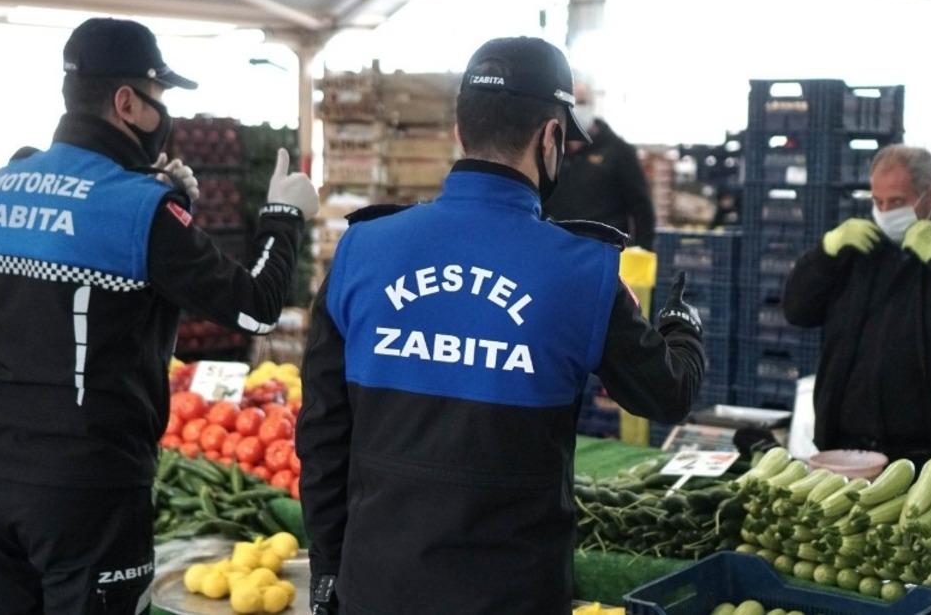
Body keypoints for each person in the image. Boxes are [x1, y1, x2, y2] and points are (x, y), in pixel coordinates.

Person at [296, 37, 706, 615]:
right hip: (512, 594)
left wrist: (328, 570)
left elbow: (321, 432)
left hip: (375, 589)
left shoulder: (362, 249)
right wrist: (681, 326)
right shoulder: (583, 271)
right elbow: (667, 394)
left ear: (460, 132)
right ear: (550, 138)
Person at [0, 18, 319, 614]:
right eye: (158, 97)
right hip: (87, 485)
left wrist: (154, 196)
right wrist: (284, 214)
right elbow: (256, 308)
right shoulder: (140, 208)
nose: (163, 114)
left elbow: (76, 222)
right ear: (126, 102)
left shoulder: (6, 183)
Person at [782, 145, 931, 489]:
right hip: (851, 450)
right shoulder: (860, 246)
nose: (884, 212)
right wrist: (824, 254)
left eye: (897, 202)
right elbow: (797, 311)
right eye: (877, 201)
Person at [543, 107, 657, 250]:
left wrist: (643, 249)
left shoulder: (619, 151)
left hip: (603, 249)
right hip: (557, 245)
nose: (576, 108)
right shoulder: (553, 149)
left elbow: (641, 205)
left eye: (582, 102)